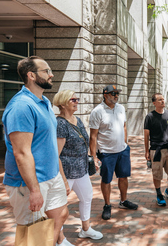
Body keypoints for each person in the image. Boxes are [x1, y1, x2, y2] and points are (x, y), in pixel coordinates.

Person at [2, 56, 72, 246]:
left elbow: (48, 144)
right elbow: (21, 153)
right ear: (31, 75)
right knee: (32, 234)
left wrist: (61, 177)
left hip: (51, 175)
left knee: (61, 214)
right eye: (46, 71)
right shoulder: (21, 107)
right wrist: (34, 190)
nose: (52, 74)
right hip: (29, 182)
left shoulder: (45, 102)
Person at [53, 90, 103, 240]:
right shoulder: (60, 124)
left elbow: (84, 142)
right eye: (72, 100)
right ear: (62, 104)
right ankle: (58, 237)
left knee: (87, 197)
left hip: (81, 170)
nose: (76, 102)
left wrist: (92, 158)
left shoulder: (77, 120)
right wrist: (62, 178)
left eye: (77, 99)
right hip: (66, 171)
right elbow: (57, 154)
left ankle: (85, 229)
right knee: (60, 206)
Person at [89, 85, 138, 221]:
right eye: (113, 93)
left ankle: (123, 201)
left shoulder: (121, 108)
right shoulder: (97, 111)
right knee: (106, 180)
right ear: (105, 95)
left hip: (122, 150)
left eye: (117, 93)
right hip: (106, 152)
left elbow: (124, 126)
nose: (116, 96)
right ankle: (107, 205)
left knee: (123, 177)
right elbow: (93, 136)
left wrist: (125, 143)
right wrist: (93, 156)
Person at [144, 93, 168, 206]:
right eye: (160, 100)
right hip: (156, 150)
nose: (163, 101)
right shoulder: (150, 116)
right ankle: (159, 194)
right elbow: (146, 135)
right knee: (157, 174)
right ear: (154, 103)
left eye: (163, 99)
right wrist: (146, 151)